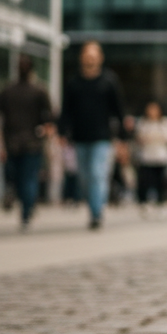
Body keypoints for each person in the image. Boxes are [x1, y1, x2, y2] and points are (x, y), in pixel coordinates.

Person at [58, 41, 129, 230]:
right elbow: (66, 111)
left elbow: (119, 110)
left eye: (93, 55)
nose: (90, 58)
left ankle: (96, 214)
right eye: (87, 55)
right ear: (82, 57)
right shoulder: (74, 83)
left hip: (102, 138)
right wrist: (62, 132)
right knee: (84, 178)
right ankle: (93, 208)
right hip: (80, 138)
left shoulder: (109, 81)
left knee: (98, 174)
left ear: (100, 58)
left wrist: (122, 138)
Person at [0, 55, 54, 229]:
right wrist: (47, 134)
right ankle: (26, 212)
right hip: (32, 142)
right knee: (29, 178)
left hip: (12, 142)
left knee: (15, 177)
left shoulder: (8, 91)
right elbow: (50, 118)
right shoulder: (39, 90)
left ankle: (17, 199)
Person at [134, 101, 167, 213]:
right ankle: (143, 203)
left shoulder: (165, 122)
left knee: (161, 182)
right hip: (147, 157)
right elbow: (140, 138)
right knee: (145, 182)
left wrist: (153, 137)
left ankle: (160, 203)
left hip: (161, 157)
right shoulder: (143, 123)